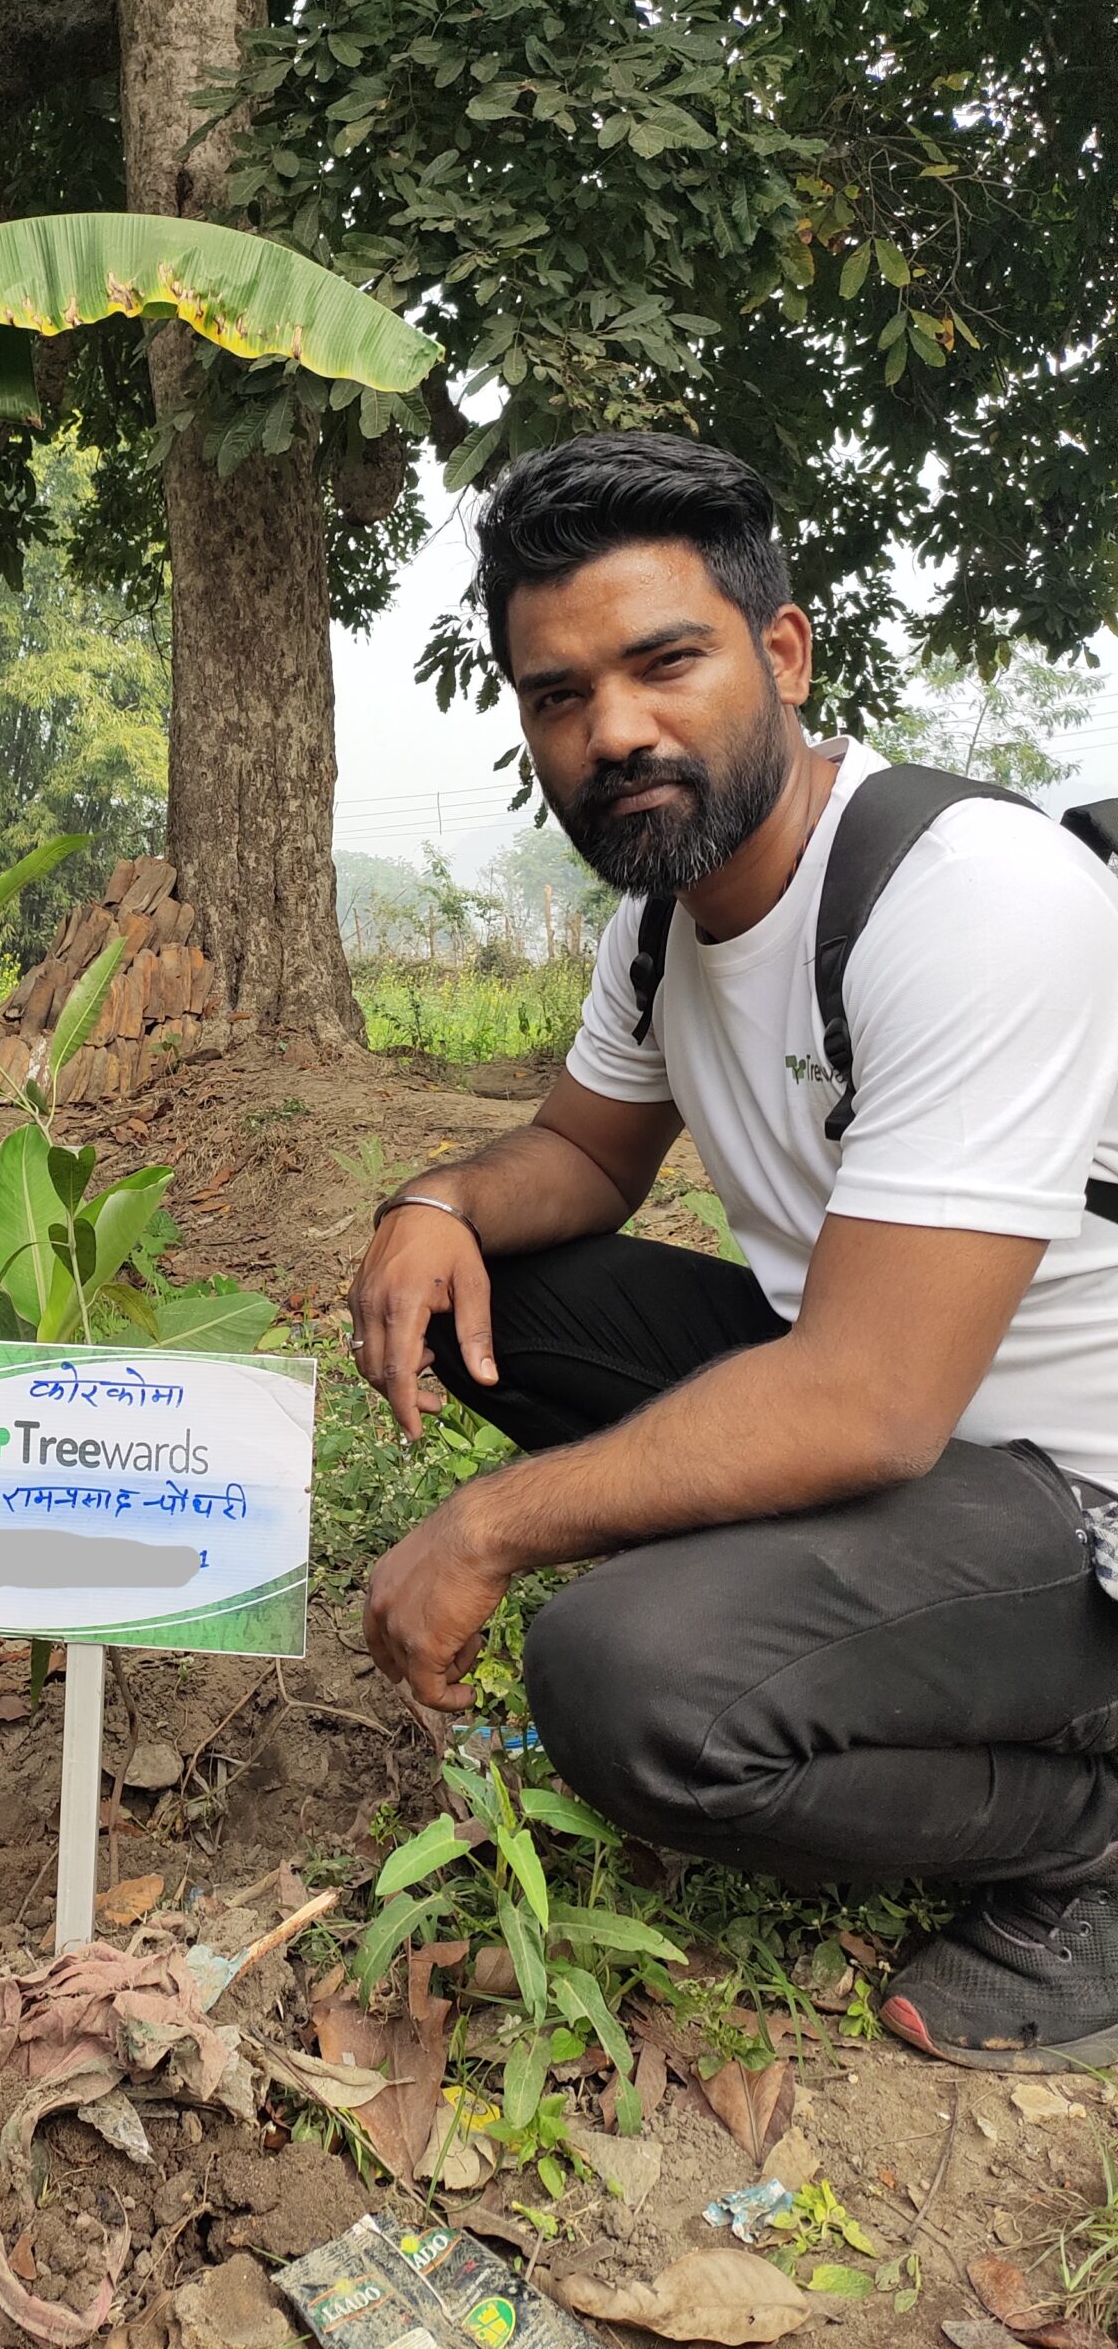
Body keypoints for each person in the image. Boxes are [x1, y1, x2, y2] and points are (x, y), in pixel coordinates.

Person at [349, 431, 1118, 2070]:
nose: (612, 730)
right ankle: (821, 1609)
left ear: (782, 654)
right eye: (558, 696)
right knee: (504, 1298)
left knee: (630, 1682)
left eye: (664, 662)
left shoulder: (970, 897)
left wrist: (488, 1528)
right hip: (919, 1427)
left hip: (1079, 1487)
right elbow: (575, 1157)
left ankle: (1086, 1840)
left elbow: (866, 1404)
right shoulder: (665, 915)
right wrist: (431, 1204)